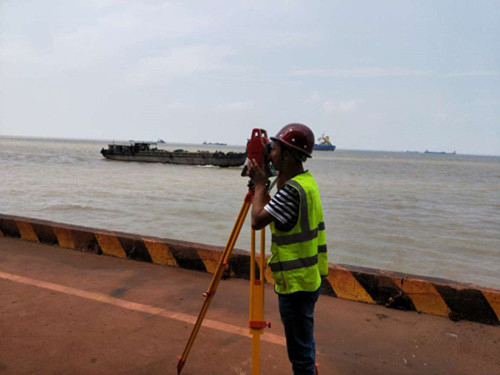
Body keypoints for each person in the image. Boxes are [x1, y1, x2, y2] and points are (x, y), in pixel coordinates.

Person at [247, 123, 328, 375]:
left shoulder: (292, 191)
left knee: (300, 355)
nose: (270, 154)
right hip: (308, 278)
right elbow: (279, 213)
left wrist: (260, 184)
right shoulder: (306, 182)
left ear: (289, 155)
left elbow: (257, 220)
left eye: (275, 150)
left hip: (295, 285)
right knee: (305, 344)